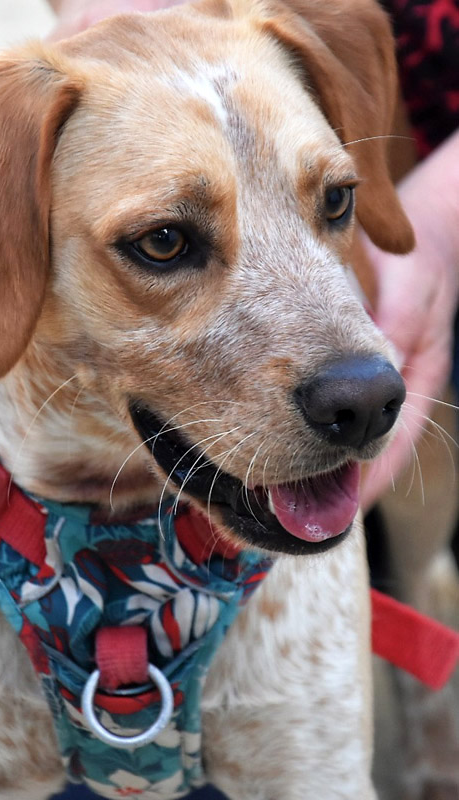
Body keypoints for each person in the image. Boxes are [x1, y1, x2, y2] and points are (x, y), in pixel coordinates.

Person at [45, 0, 459, 797]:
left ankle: (436, 728)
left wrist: (433, 220)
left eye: (333, 198)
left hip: (423, 129)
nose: (363, 390)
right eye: (164, 240)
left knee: (418, 516)